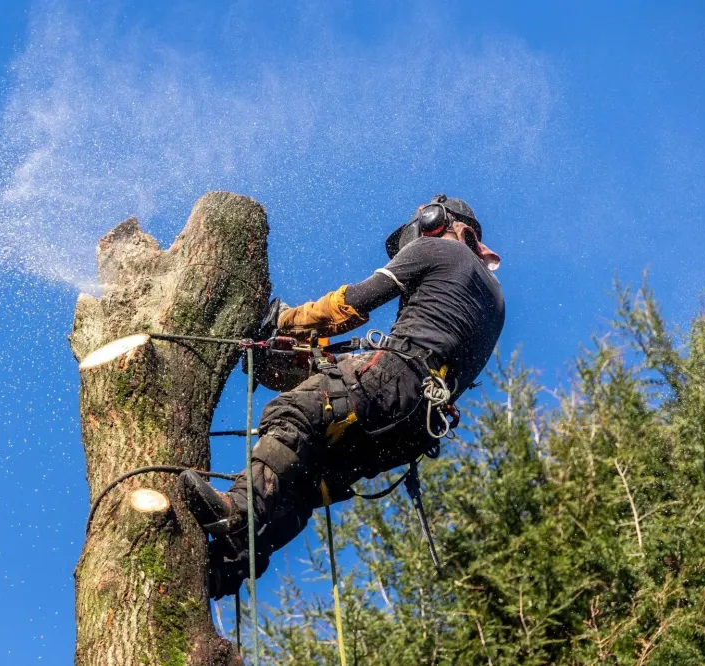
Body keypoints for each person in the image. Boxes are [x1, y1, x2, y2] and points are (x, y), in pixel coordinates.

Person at [180, 193, 505, 598]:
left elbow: (352, 304)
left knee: (294, 410)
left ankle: (238, 511)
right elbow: (426, 346)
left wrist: (283, 322)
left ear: (437, 221)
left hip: (397, 379)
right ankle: (227, 568)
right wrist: (326, 360)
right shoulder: (494, 298)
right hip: (416, 429)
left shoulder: (437, 248)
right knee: (305, 480)